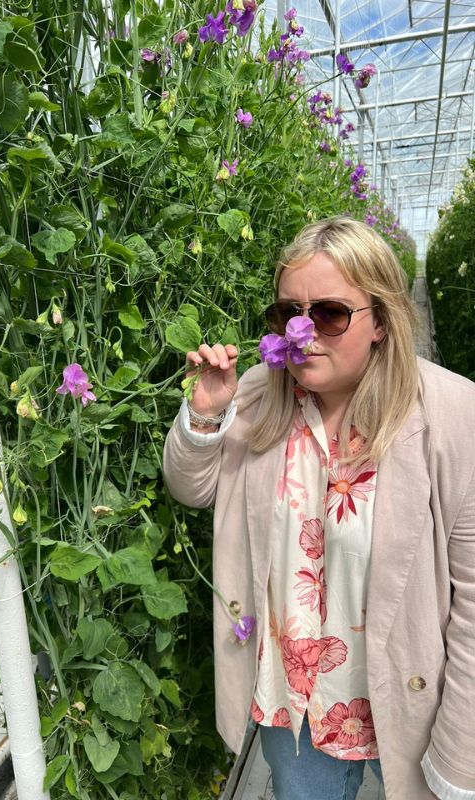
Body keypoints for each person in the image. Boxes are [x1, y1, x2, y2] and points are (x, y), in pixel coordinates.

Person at [162, 216, 475, 800]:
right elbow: (192, 488)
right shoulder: (258, 396)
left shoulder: (454, 417)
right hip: (296, 709)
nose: (302, 334)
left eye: (329, 314)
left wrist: (460, 758)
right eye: (288, 315)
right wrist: (206, 412)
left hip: (410, 708)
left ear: (381, 320)